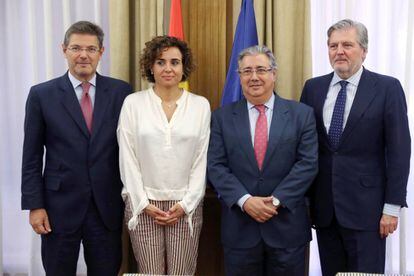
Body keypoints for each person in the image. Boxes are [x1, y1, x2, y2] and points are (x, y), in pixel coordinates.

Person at [21, 21, 133, 275]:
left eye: (91, 49)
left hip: (106, 207)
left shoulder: (121, 92)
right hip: (58, 208)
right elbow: (31, 157)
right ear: (64, 49)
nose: (83, 55)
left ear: (101, 52)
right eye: (76, 48)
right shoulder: (42, 95)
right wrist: (34, 206)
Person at [300, 19, 411, 275]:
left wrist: (391, 208)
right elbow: (305, 149)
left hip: (368, 211)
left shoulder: (387, 88)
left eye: (347, 45)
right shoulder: (313, 88)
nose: (339, 51)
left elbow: (399, 151)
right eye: (333, 45)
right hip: (324, 210)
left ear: (364, 50)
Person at [207, 45, 318, 276]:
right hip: (240, 229)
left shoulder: (302, 114)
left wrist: (276, 201)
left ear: (274, 74)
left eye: (261, 69)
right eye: (247, 71)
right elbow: (215, 166)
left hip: (287, 228)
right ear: (239, 77)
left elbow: (307, 164)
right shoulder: (221, 117)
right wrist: (246, 201)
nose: (254, 77)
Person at [117, 35, 210, 275]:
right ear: (150, 66)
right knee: (149, 273)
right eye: (160, 62)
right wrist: (143, 203)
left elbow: (201, 159)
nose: (168, 68)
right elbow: (127, 157)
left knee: (182, 272)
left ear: (183, 67)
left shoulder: (200, 106)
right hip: (143, 204)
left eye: (174, 62)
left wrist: (187, 203)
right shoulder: (132, 103)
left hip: (185, 206)